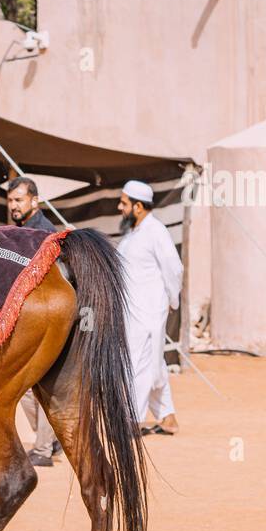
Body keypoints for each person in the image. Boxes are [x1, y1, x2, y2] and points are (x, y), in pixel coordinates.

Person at [4, 176, 62, 465]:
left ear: (34, 201)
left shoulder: (43, 234)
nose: (13, 205)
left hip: (46, 322)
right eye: (11, 200)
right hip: (32, 322)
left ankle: (43, 449)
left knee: (40, 385)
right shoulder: (24, 229)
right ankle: (50, 442)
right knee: (28, 387)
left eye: (19, 200)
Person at [116, 179, 182, 435]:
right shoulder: (134, 233)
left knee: (139, 364)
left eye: (124, 203)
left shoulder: (156, 231)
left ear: (139, 206)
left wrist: (170, 301)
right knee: (152, 363)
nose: (119, 207)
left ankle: (132, 420)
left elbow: (174, 268)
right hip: (133, 312)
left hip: (148, 312)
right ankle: (168, 417)